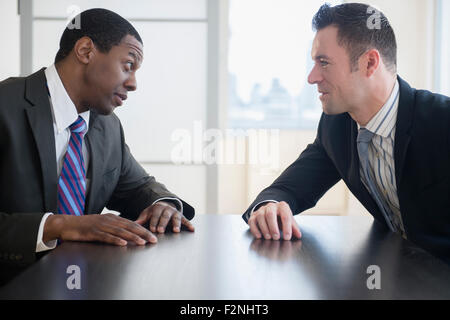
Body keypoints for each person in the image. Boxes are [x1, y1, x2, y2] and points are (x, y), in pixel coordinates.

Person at [242, 3, 450, 264]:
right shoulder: (337, 126)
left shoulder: (442, 122)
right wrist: (269, 207)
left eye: (324, 63)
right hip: (396, 276)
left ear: (369, 63)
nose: (312, 77)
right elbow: (289, 189)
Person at [0, 8, 195, 284]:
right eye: (128, 65)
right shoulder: (5, 105)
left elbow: (138, 186)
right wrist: (58, 225)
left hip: (87, 283)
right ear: (85, 51)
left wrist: (161, 203)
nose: (134, 83)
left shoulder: (108, 127)